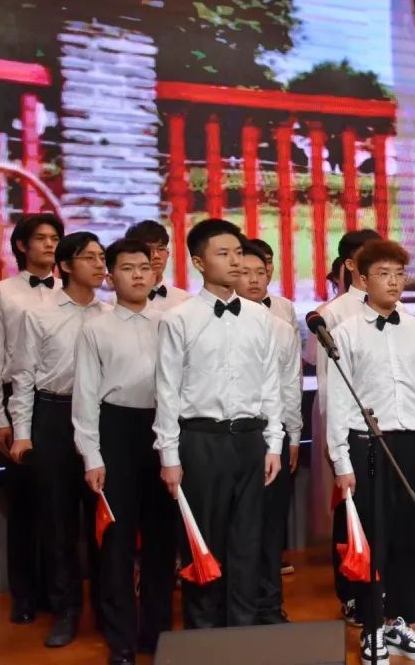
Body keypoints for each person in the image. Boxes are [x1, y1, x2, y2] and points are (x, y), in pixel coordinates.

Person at [153, 218, 283, 629]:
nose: (235, 261)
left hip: (249, 440)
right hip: (200, 441)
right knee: (202, 543)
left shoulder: (260, 318)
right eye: (223, 253)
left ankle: (241, 631)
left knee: (247, 542)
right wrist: (170, 456)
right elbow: (167, 392)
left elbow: (270, 384)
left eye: (238, 252)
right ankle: (203, 634)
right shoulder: (179, 319)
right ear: (198, 262)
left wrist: (274, 443)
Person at [327, 239, 415, 665]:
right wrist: (341, 460)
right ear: (362, 278)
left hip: (412, 441)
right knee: (372, 537)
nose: (393, 282)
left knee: (408, 537)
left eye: (399, 274)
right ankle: (372, 626)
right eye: (383, 274)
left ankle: (400, 621)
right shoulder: (345, 332)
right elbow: (338, 401)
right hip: (367, 445)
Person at [71, 238, 175, 664]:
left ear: (154, 273)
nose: (138, 275)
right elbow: (85, 396)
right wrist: (92, 456)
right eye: (127, 268)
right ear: (111, 277)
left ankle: (157, 632)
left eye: (144, 267)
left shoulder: (170, 323)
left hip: (163, 431)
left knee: (162, 538)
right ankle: (122, 640)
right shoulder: (95, 328)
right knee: (116, 542)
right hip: (115, 430)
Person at [9, 231, 109, 647]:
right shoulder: (40, 314)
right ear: (65, 266)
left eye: (102, 257)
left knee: (104, 519)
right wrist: (22, 433)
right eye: (90, 258)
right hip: (54, 414)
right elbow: (23, 378)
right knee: (58, 519)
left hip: (102, 419)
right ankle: (66, 609)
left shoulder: (111, 313)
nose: (100, 265)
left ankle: (107, 608)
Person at [0, 213, 63, 626]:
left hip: (63, 405)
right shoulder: (2, 293)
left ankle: (56, 591)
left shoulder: (71, 291)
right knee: (25, 507)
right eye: (42, 238)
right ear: (21, 246)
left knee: (60, 506)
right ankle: (24, 596)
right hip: (19, 402)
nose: (50, 245)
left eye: (55, 238)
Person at [310, 228, 391, 624]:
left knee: (385, 512)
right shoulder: (334, 313)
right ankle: (352, 593)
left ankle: (383, 589)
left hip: (389, 427)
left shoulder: (395, 310)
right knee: (351, 510)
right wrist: (335, 441)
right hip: (350, 429)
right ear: (351, 264)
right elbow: (328, 386)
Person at [235, 241, 303, 624]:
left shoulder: (281, 326)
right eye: (245, 273)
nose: (254, 280)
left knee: (270, 524)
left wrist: (292, 433)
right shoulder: (210, 323)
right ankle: (235, 607)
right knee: (234, 524)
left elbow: (291, 385)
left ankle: (269, 603)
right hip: (227, 435)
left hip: (272, 433)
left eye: (260, 272)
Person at [126, 220, 190, 312]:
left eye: (161, 249)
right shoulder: (117, 302)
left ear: (167, 253)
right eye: (149, 249)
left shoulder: (184, 300)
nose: (156, 256)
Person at [246, 238, 299, 335]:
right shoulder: (232, 309)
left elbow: (295, 344)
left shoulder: (286, 306)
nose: (265, 268)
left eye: (269, 261)